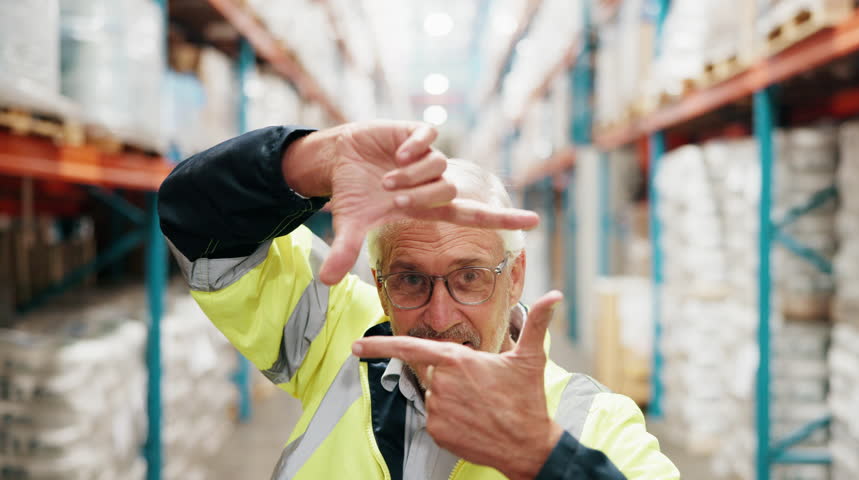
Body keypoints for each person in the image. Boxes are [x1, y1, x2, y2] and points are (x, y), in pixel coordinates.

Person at [158, 121, 680, 480]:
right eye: (410, 280)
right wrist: (313, 158)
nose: (439, 316)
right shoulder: (336, 332)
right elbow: (195, 219)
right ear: (380, 284)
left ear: (516, 276)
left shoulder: (591, 421)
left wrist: (547, 458)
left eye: (470, 277)